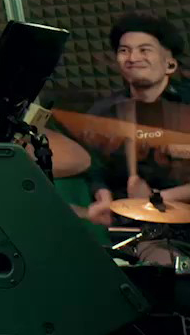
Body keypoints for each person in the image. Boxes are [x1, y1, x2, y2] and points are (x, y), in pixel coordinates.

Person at [77, 13, 190, 246]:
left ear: (169, 63)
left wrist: (156, 199)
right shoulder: (103, 113)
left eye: (144, 50)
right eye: (124, 51)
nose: (132, 58)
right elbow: (95, 169)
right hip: (134, 230)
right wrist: (103, 196)